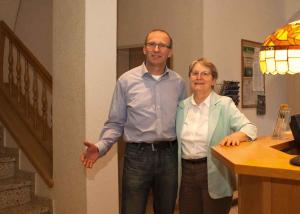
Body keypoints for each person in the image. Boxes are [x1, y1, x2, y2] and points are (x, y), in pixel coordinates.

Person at [80, 29, 186, 214]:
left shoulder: (178, 83)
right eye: (152, 44)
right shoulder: (126, 81)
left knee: (167, 209)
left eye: (162, 45)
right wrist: (101, 146)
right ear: (144, 49)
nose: (156, 48)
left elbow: (185, 121)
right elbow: (115, 122)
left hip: (169, 156)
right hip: (137, 157)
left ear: (170, 52)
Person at [176, 58, 257, 214]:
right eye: (195, 73)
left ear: (213, 80)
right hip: (186, 174)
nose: (199, 77)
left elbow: (250, 128)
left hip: (215, 171)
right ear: (190, 77)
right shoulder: (182, 106)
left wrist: (237, 136)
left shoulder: (224, 104)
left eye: (205, 74)